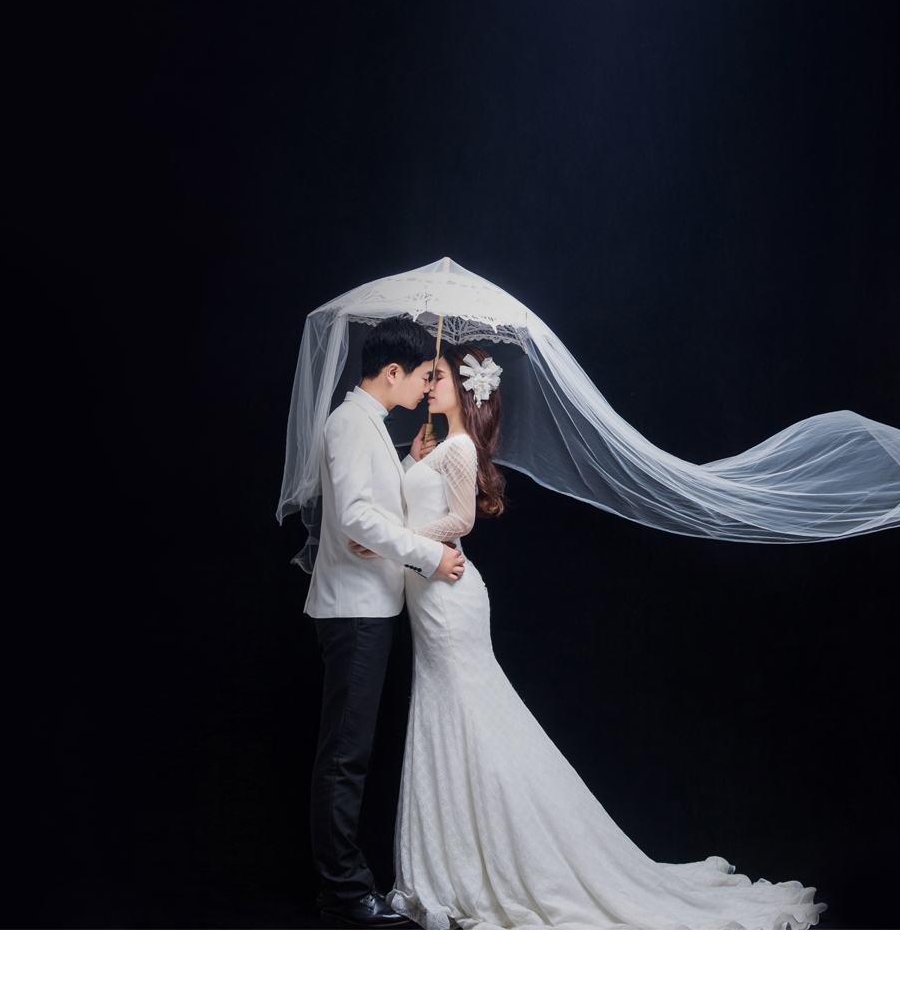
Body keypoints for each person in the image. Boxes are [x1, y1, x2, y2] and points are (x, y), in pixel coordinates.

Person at [351, 342, 826, 929]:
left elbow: (461, 520)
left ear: (467, 390)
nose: (429, 386)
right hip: (431, 595)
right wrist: (410, 461)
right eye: (431, 377)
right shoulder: (436, 446)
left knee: (469, 717)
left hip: (448, 597)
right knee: (451, 714)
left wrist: (395, 541)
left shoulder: (461, 446)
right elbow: (414, 507)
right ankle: (456, 855)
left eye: (440, 377)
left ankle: (503, 857)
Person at [308, 315, 467, 928]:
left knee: (352, 752)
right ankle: (344, 892)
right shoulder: (350, 423)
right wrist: (428, 554)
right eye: (425, 376)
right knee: (345, 756)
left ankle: (342, 885)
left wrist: (406, 462)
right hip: (354, 610)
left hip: (369, 607)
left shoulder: (370, 423)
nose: (428, 388)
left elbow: (371, 502)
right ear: (393, 371)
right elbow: (355, 516)